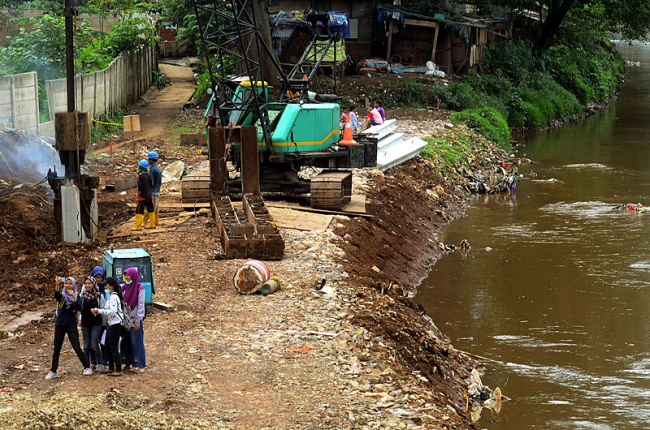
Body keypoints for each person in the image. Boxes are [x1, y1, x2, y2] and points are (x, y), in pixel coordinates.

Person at [46, 276, 92, 379]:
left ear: (74, 285)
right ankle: (53, 371)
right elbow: (56, 295)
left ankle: (87, 367)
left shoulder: (77, 296)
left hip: (71, 325)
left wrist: (74, 297)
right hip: (60, 324)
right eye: (66, 283)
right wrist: (57, 283)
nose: (68, 285)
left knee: (77, 347)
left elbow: (79, 308)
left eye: (70, 283)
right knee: (57, 349)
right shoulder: (62, 296)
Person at [92, 277, 130, 377]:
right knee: (108, 345)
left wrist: (99, 311)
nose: (105, 287)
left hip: (116, 324)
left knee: (113, 346)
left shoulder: (113, 297)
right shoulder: (111, 297)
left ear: (111, 286)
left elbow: (113, 311)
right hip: (112, 323)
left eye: (106, 285)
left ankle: (118, 369)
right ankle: (112, 367)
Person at [122, 267, 146, 373]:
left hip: (135, 318)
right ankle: (127, 362)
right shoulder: (124, 287)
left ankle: (140, 364)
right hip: (126, 319)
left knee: (136, 341)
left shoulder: (139, 288)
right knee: (125, 341)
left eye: (129, 275)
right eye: (125, 275)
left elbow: (141, 305)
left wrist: (138, 320)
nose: (127, 277)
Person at [80, 276, 105, 373]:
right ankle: (87, 365)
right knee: (86, 346)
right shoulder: (82, 296)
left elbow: (103, 309)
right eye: (85, 283)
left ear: (93, 284)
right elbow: (80, 309)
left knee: (94, 344)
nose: (87, 285)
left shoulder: (99, 296)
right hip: (85, 323)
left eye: (89, 283)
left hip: (96, 323)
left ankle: (100, 363)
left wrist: (103, 322)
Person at [133, 159, 154, 231]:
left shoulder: (140, 176)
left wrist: (137, 197)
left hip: (142, 197)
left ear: (141, 167)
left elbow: (140, 188)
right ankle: (152, 224)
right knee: (150, 210)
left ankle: (138, 226)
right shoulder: (149, 175)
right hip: (149, 196)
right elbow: (151, 185)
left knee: (138, 211)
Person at [144, 151, 162, 229]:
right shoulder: (157, 168)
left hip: (153, 191)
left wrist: (148, 190)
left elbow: (151, 181)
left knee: (151, 207)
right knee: (156, 207)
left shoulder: (153, 169)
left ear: (151, 160)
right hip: (157, 190)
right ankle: (156, 221)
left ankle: (150, 223)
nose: (148, 161)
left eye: (149, 160)